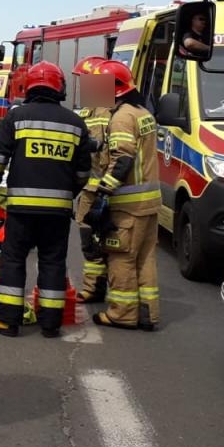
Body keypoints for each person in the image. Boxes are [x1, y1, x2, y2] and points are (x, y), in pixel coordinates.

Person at [0, 61, 91, 338]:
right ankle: (51, 323)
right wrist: (68, 195)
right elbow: (83, 172)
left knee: (13, 260)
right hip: (58, 212)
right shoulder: (76, 124)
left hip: (21, 209)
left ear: (29, 87)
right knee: (53, 261)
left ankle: (8, 320)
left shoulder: (17, 118)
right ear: (59, 87)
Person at [88, 60, 160, 331]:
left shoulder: (120, 118)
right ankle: (147, 313)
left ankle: (122, 314)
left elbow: (122, 160)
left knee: (121, 258)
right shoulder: (143, 113)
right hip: (149, 202)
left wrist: (103, 192)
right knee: (145, 258)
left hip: (128, 204)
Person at [73, 56, 112, 303]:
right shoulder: (95, 109)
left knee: (92, 240)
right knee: (94, 240)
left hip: (97, 188)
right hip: (95, 187)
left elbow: (100, 154)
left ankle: (94, 288)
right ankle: (95, 287)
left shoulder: (102, 112)